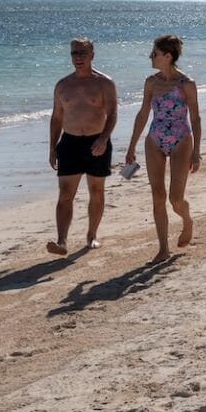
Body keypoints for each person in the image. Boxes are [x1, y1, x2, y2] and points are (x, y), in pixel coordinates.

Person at [124, 35, 202, 261]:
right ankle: (163, 249)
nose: (151, 56)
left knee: (175, 199)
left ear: (168, 56)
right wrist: (131, 146)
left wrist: (196, 151)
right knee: (157, 195)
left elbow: (195, 118)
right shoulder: (151, 82)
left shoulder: (186, 84)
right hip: (155, 139)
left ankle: (187, 221)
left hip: (181, 140)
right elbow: (142, 114)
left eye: (155, 53)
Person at [46, 37, 117, 257]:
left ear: (92, 55)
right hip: (70, 142)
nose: (78, 58)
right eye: (74, 53)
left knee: (96, 191)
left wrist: (104, 138)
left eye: (82, 53)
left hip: (97, 141)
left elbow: (113, 113)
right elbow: (57, 118)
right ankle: (62, 241)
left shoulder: (104, 83)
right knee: (66, 193)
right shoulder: (63, 85)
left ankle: (92, 235)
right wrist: (52, 146)